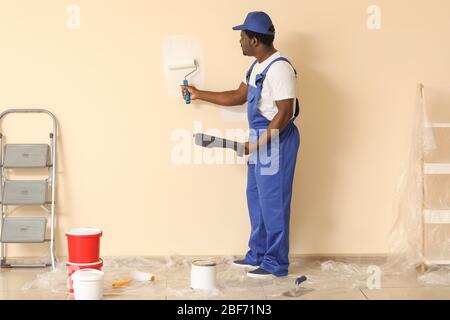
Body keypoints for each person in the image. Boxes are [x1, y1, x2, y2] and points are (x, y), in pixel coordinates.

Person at [181, 11, 300, 278]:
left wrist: (257, 144)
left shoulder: (279, 68)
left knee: (273, 201)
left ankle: (276, 262)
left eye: (242, 36)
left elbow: (284, 113)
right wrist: (199, 93)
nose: (240, 41)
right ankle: (257, 253)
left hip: (276, 140)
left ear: (255, 41)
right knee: (256, 198)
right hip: (262, 139)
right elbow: (238, 96)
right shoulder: (257, 66)